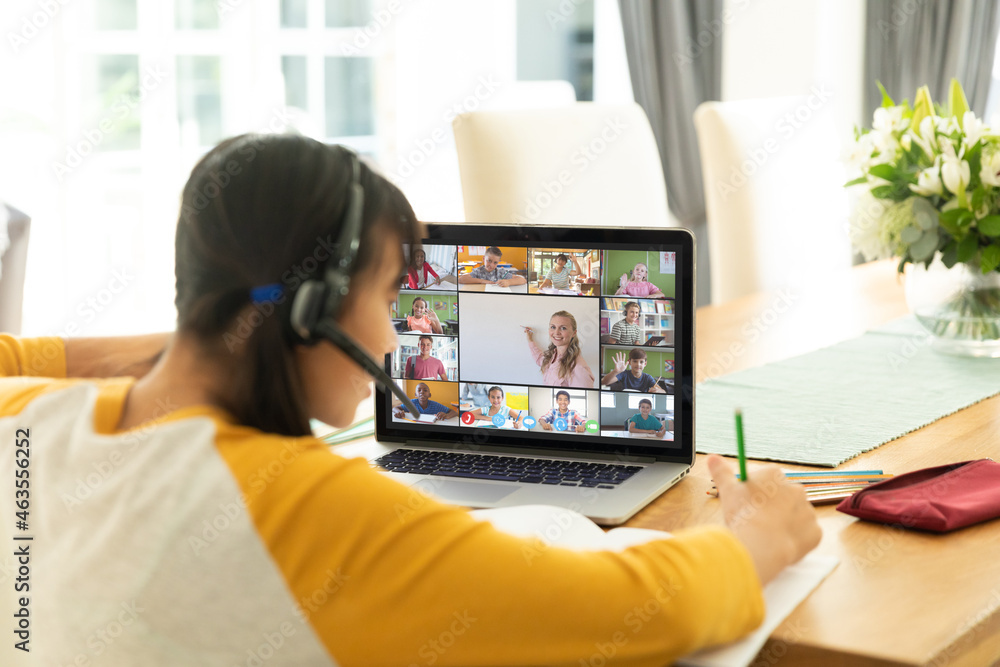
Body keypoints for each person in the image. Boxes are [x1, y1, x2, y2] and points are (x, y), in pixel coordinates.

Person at [0, 132, 822, 665]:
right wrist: (759, 534)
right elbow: (631, 609)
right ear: (315, 306)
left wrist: (201, 341)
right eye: (392, 293)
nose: (398, 338)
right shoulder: (300, 506)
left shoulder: (24, 419)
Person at [523, 310, 595, 388]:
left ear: (574, 333)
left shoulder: (578, 368)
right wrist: (530, 339)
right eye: (553, 327)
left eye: (563, 328)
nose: (556, 332)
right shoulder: (553, 356)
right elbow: (540, 360)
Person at [458, 246, 526, 287]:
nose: (491, 265)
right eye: (489, 261)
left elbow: (523, 280)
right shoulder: (478, 271)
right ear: (484, 259)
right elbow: (461, 279)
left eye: (495, 262)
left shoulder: (500, 272)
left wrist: (508, 282)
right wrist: (483, 281)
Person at [391, 382, 457, 421]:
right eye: (419, 390)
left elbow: (454, 412)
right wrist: (399, 412)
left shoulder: (436, 405)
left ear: (429, 395)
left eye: (425, 390)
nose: (422, 392)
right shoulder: (411, 403)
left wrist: (447, 416)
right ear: (415, 395)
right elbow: (395, 408)